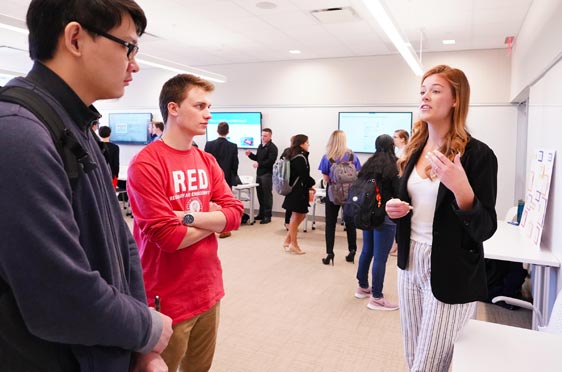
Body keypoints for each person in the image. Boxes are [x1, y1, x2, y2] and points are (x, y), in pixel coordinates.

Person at [0, 1, 173, 372]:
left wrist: (140, 343)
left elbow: (120, 240)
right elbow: (58, 297)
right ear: (75, 38)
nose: (135, 63)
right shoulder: (18, 133)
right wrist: (146, 328)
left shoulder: (75, 125)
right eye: (128, 46)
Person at [127, 73, 244, 372]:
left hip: (208, 290)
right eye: (200, 105)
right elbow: (167, 238)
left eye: (209, 106)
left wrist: (187, 217)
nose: (209, 114)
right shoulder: (146, 163)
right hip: (166, 300)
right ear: (174, 108)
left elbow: (234, 215)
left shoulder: (206, 161)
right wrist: (214, 221)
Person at [386, 65, 498, 371]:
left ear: (455, 100)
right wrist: (397, 210)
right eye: (422, 91)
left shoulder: (478, 155)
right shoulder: (414, 149)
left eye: (435, 90)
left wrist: (461, 188)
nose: (425, 97)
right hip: (410, 262)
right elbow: (416, 205)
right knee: (413, 356)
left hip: (451, 267)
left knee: (429, 365)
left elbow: (485, 227)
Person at [354, 134, 400, 311]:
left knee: (367, 251)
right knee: (381, 257)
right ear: (392, 146)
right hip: (386, 215)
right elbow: (398, 191)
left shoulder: (369, 163)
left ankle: (362, 286)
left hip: (368, 214)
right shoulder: (394, 165)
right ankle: (377, 297)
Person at [318, 130, 361, 265]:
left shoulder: (327, 157)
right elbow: (357, 174)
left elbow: (325, 178)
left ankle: (330, 253)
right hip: (350, 193)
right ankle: (352, 250)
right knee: (350, 222)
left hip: (333, 193)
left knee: (330, 224)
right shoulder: (353, 157)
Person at [281, 135, 316, 255]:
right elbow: (304, 176)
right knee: (296, 217)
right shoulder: (300, 158)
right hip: (298, 192)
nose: (308, 145)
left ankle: (288, 240)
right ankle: (294, 244)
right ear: (301, 144)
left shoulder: (289, 154)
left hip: (294, 190)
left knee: (300, 216)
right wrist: (312, 183)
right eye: (307, 142)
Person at [204, 121, 240, 238]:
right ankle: (224, 229)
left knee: (211, 202)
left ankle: (209, 224)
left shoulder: (209, 144)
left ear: (217, 131)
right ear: (228, 132)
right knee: (225, 203)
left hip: (210, 178)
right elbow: (235, 164)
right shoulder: (233, 146)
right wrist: (233, 175)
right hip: (226, 178)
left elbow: (205, 162)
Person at [245, 128, 278, 224]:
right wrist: (250, 155)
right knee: (260, 195)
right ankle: (261, 214)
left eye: (265, 136)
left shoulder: (272, 148)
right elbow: (258, 158)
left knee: (267, 195)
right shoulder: (260, 146)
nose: (263, 137)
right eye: (262, 135)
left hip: (267, 174)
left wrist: (259, 164)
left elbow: (270, 161)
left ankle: (268, 216)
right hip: (259, 174)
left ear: (270, 136)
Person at [390, 129, 409, 256]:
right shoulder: (397, 152)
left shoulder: (407, 152)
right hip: (397, 185)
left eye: (396, 137)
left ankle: (399, 244)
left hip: (403, 186)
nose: (393, 139)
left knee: (401, 217)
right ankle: (396, 244)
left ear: (403, 139)